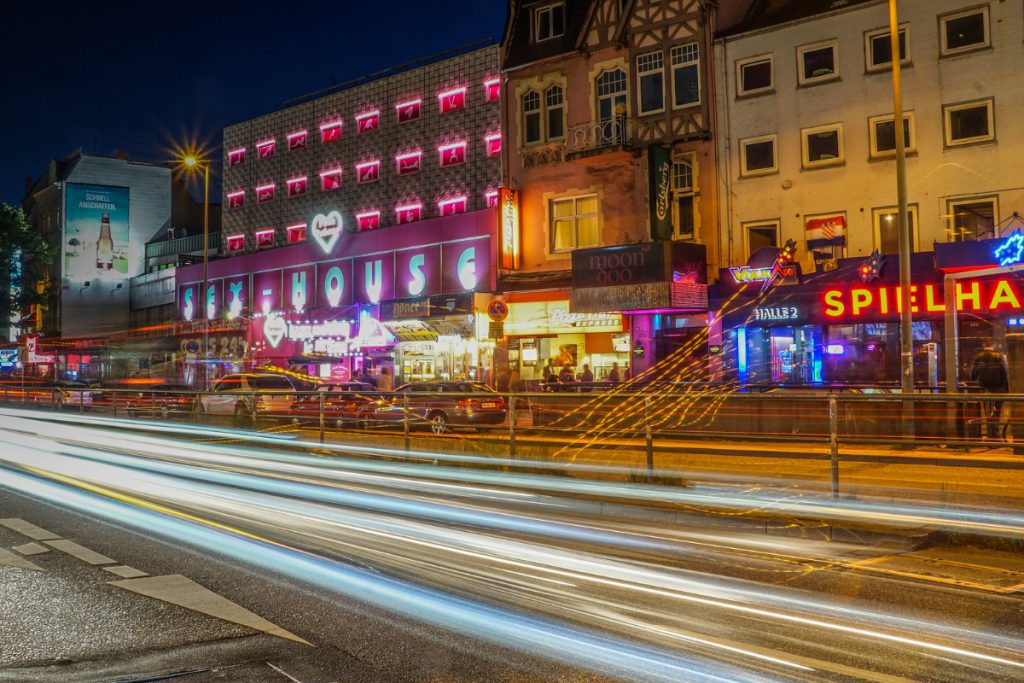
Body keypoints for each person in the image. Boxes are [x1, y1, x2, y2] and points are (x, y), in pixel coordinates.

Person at [971, 344, 1009, 438]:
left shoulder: (978, 357)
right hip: (998, 389)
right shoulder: (999, 356)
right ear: (993, 345)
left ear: (984, 345)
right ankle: (995, 437)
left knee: (988, 414)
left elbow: (972, 375)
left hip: (984, 389)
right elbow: (1005, 373)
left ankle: (992, 436)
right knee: (996, 413)